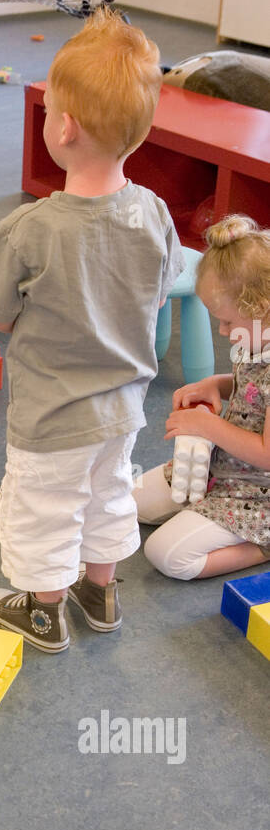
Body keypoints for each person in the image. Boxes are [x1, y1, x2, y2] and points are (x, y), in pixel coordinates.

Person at [0, 8, 185, 653]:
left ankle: (43, 610)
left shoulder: (28, 229)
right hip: (122, 408)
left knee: (45, 508)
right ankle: (101, 592)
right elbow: (163, 279)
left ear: (64, 128)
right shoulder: (153, 211)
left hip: (51, 413)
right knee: (107, 495)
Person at [135, 216, 270, 579]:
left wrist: (207, 426)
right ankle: (204, 512)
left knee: (167, 556)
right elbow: (253, 387)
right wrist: (217, 384)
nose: (223, 332)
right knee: (130, 503)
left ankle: (262, 545)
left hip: (258, 495)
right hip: (222, 466)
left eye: (226, 322)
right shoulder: (257, 338)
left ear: (260, 310)